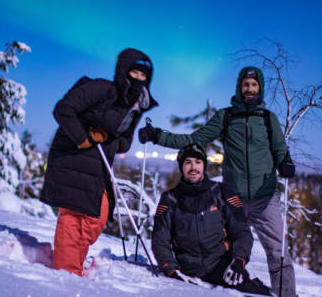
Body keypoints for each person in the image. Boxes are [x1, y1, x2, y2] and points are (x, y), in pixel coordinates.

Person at [141, 67, 296, 296]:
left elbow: (280, 149)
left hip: (265, 197)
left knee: (277, 252)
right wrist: (158, 136)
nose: (250, 89)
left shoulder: (267, 118)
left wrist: (286, 162)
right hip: (234, 197)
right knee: (229, 246)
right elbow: (194, 139)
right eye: (246, 85)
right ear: (239, 87)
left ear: (260, 88)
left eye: (254, 85)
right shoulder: (227, 117)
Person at [41, 48, 158, 276]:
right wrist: (83, 138)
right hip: (73, 158)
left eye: (143, 76)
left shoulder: (135, 106)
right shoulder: (102, 89)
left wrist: (110, 135)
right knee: (74, 217)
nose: (138, 79)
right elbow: (63, 109)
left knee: (96, 218)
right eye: (134, 72)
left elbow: (123, 144)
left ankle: (71, 263)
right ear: (123, 71)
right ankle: (65, 274)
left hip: (98, 167)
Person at [152, 143, 272, 295]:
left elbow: (242, 232)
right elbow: (159, 240)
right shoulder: (169, 199)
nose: (193, 167)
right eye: (187, 163)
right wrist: (171, 270)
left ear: (204, 165)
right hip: (188, 273)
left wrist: (238, 261)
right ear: (181, 167)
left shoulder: (222, 193)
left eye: (198, 162)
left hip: (225, 270)